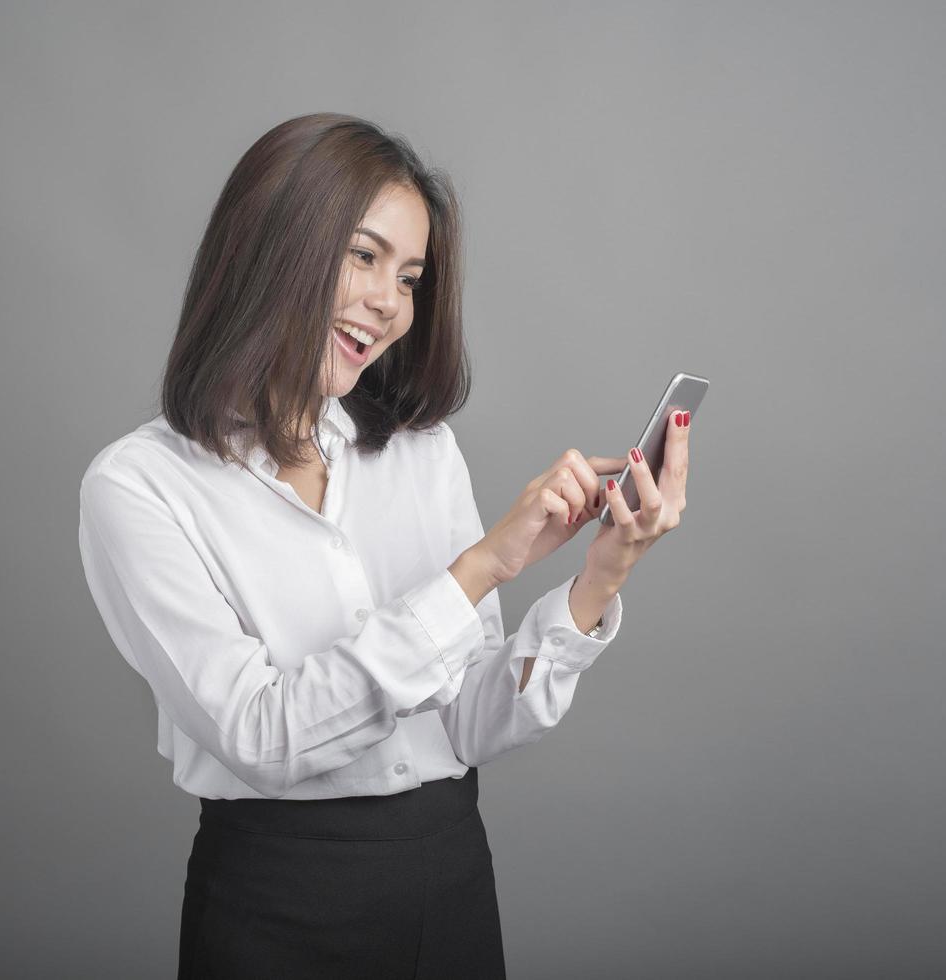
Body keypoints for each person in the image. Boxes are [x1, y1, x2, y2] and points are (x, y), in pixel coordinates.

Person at [77, 112, 691, 979]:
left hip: (449, 881)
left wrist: (598, 579)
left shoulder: (420, 452)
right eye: (363, 257)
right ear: (269, 247)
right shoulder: (138, 487)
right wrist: (481, 566)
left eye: (410, 277)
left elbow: (470, 725)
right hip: (276, 902)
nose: (390, 304)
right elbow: (262, 735)